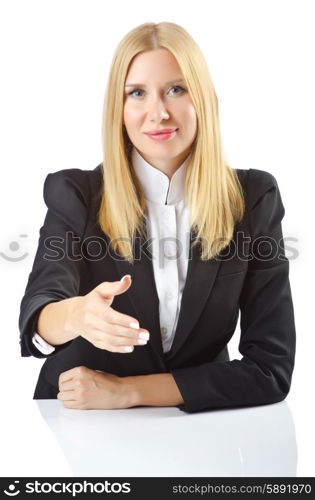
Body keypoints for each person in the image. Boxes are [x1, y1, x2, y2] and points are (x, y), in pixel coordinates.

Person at [19, 21, 296, 413]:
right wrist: (76, 315)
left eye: (176, 89)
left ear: (202, 98)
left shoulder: (252, 198)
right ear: (119, 108)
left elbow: (271, 370)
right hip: (81, 425)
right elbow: (39, 315)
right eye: (137, 93)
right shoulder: (77, 194)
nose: (159, 113)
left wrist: (129, 391)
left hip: (203, 430)